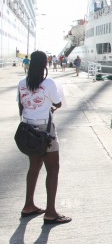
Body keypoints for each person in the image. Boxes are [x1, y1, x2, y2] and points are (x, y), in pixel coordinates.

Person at [17, 51, 71, 224]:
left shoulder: (21, 83)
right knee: (53, 169)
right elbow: (58, 103)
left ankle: (29, 206)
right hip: (45, 131)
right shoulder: (48, 83)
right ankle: (50, 212)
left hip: (28, 129)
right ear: (44, 65)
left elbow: (21, 104)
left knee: (34, 167)